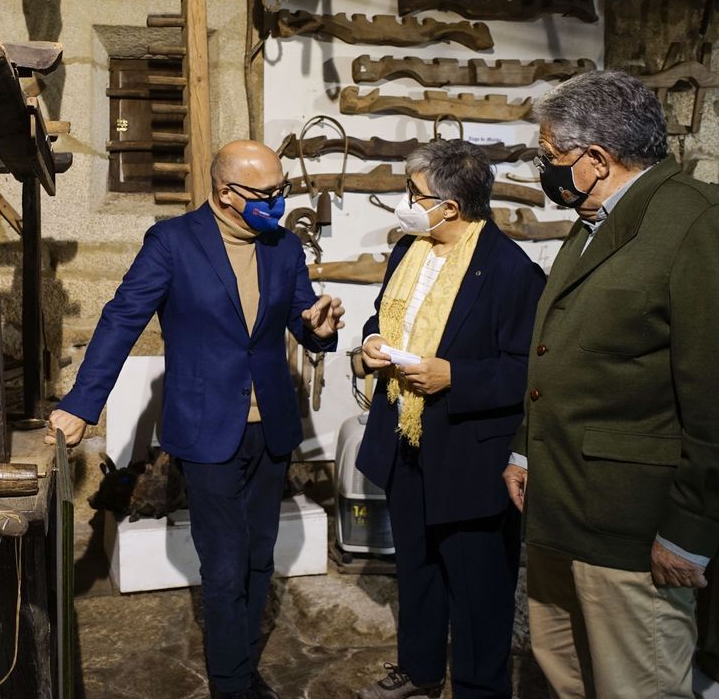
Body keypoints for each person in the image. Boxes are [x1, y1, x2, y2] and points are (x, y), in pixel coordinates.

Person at [502, 71, 719, 698]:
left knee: (637, 686)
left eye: (551, 156)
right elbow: (564, 352)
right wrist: (525, 446)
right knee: (566, 670)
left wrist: (691, 530)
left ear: (596, 159)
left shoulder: (702, 224)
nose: (545, 169)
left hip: (632, 526)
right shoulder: (596, 222)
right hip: (563, 508)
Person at [47, 140, 345, 699]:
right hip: (208, 430)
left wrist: (321, 329)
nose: (278, 203)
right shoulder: (173, 242)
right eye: (267, 194)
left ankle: (241, 658)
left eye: (282, 190)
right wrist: (81, 406)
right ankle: (232, 684)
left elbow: (304, 319)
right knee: (225, 563)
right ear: (226, 193)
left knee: (260, 557)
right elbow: (120, 321)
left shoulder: (282, 247)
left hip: (272, 426)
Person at [352, 140, 546, 699]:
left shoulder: (510, 271)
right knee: (416, 566)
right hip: (405, 437)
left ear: (451, 207)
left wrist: (454, 376)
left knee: (478, 585)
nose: (405, 203)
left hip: (469, 450)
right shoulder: (408, 250)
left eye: (415, 194)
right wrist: (371, 341)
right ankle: (419, 670)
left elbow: (526, 371)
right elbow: (384, 312)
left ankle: (479, 688)